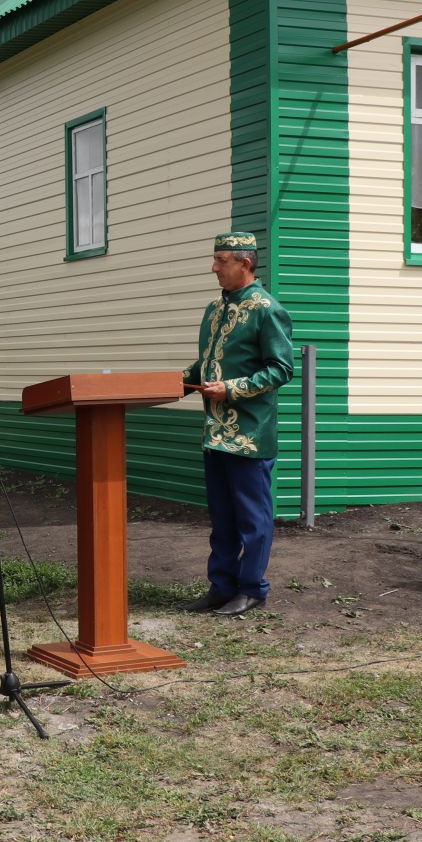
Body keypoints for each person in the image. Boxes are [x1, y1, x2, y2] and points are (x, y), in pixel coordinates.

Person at [179, 232, 296, 618]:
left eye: (221, 260)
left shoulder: (266, 309)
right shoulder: (215, 309)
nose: (214, 268)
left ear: (244, 263)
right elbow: (207, 363)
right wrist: (175, 381)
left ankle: (252, 589)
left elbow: (281, 368)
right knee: (222, 518)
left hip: (249, 434)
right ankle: (222, 586)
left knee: (253, 519)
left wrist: (231, 389)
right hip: (215, 433)